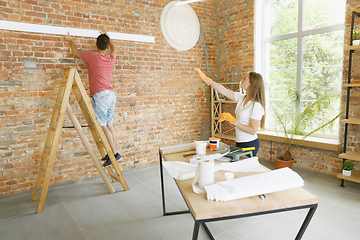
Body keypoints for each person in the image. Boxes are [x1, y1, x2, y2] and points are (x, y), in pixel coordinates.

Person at [64, 31, 121, 167]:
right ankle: (114, 152)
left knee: (102, 126)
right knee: (110, 125)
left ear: (96, 45)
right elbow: (115, 49)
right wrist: (109, 38)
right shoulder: (110, 58)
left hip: (101, 95)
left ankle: (114, 154)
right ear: (107, 47)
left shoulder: (92, 56)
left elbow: (75, 52)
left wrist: (70, 40)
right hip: (111, 94)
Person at [194, 68, 265, 157]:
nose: (241, 80)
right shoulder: (242, 98)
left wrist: (234, 121)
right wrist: (207, 80)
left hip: (250, 144)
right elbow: (223, 90)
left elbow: (253, 130)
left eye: (245, 79)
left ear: (251, 84)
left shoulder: (256, 106)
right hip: (240, 141)